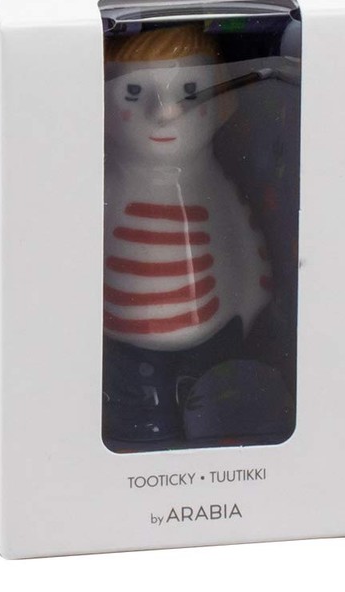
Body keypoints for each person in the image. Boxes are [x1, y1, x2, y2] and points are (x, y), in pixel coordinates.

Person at [102, 25, 272, 445]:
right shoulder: (102, 187)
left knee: (217, 416)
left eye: (190, 91)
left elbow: (245, 245)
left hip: (214, 340)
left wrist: (253, 306)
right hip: (119, 347)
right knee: (135, 424)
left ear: (221, 106)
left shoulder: (214, 186)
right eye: (134, 92)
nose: (165, 112)